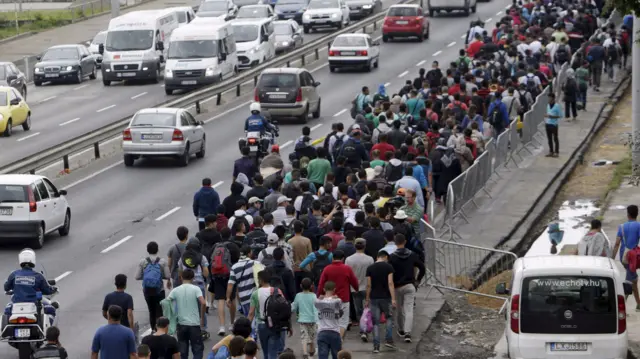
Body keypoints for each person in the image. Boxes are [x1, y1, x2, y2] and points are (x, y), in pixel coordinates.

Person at [388, 234, 425, 343]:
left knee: (399, 310)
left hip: (397, 286)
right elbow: (422, 267)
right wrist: (418, 280)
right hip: (410, 285)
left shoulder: (392, 257)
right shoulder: (412, 255)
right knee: (409, 310)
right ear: (404, 242)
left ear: (395, 243)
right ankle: (408, 332)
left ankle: (401, 329)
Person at [248, 270, 292, 359]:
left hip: (261, 325)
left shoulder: (255, 293)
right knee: (273, 353)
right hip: (275, 325)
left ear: (260, 280)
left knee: (266, 353)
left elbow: (251, 313)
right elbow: (284, 308)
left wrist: (247, 329)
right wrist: (289, 325)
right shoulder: (277, 291)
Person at [317, 250, 359, 339]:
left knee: (332, 321)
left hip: (330, 299)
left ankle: (335, 340)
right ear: (343, 259)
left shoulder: (327, 269)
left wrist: (319, 294)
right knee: (343, 322)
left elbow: (321, 283)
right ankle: (339, 340)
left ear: (332, 258)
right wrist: (356, 289)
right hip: (344, 299)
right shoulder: (347, 268)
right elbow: (354, 281)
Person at [166, 269, 206, 359]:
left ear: (181, 277)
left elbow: (167, 302)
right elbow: (203, 303)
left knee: (183, 350)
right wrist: (202, 318)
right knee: (197, 349)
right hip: (194, 324)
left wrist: (172, 317)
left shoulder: (176, 290)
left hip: (181, 324)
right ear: (193, 278)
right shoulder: (196, 289)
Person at [4, 248, 56, 315]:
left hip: (16, 305)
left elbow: (6, 288)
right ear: (33, 260)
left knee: (7, 311)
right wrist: (53, 289)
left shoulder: (14, 274)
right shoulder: (38, 276)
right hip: (33, 305)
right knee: (51, 309)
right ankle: (48, 325)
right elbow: (47, 291)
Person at [135, 241, 171, 332]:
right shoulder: (162, 262)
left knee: (151, 311)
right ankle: (160, 329)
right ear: (157, 250)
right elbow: (167, 276)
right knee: (159, 311)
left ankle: (153, 330)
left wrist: (147, 276)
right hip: (159, 290)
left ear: (147, 250)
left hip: (147, 290)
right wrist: (159, 276)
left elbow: (137, 276)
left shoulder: (143, 262)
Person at [365, 251, 396, 353]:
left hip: (374, 298)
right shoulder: (389, 267)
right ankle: (388, 339)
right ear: (386, 257)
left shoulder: (370, 268)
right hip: (386, 298)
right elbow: (390, 283)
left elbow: (369, 285)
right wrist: (393, 298)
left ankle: (376, 346)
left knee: (375, 323)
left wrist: (367, 299)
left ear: (377, 257)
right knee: (389, 318)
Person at [344, 238, 373, 342]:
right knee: (367, 309)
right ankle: (364, 330)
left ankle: (362, 329)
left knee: (358, 310)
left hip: (354, 288)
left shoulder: (348, 259)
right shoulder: (370, 259)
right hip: (367, 287)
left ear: (354, 246)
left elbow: (347, 274)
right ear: (364, 246)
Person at [612, 205, 640, 309]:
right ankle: (619, 306)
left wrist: (611, 258)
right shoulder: (638, 226)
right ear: (637, 214)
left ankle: (638, 303)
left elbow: (617, 244)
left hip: (623, 257)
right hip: (633, 258)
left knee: (634, 280)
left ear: (628, 214)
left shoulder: (622, 227)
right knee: (629, 282)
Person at [315, 281, 343, 359]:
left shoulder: (318, 301)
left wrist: (321, 298)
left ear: (324, 289)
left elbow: (316, 302)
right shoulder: (338, 301)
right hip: (335, 331)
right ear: (334, 289)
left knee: (323, 356)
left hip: (322, 331)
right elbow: (341, 312)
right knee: (336, 355)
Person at [292, 278, 318, 359]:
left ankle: (305, 352)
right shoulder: (313, 295)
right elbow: (315, 309)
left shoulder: (298, 295)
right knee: (312, 336)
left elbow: (294, 306)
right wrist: (317, 321)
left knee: (304, 336)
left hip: (302, 320)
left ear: (300, 286)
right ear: (311, 286)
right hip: (312, 320)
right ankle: (311, 351)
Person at [544, 93, 562, 158]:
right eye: (548, 98)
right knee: (549, 139)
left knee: (555, 138)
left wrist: (552, 117)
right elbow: (548, 113)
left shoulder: (557, 106)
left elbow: (560, 115)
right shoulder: (548, 105)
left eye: (550, 98)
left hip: (554, 124)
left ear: (553, 98)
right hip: (547, 123)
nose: (549, 99)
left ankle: (556, 152)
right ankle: (551, 151)